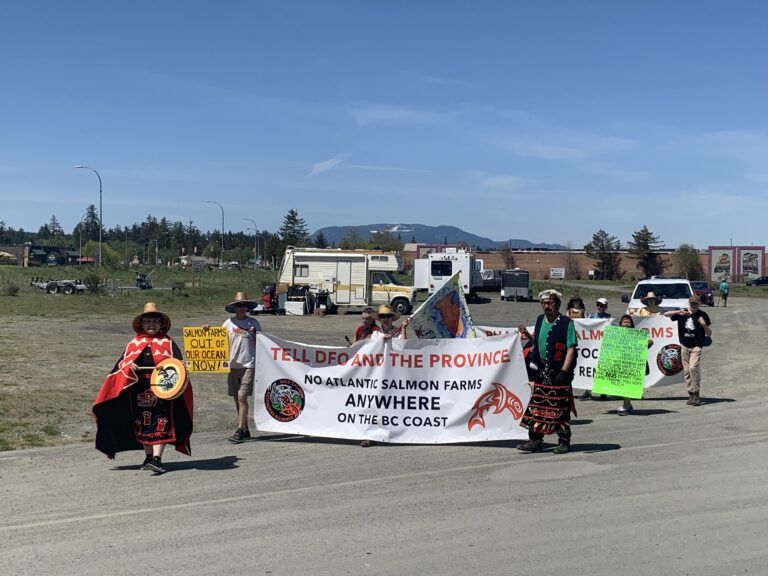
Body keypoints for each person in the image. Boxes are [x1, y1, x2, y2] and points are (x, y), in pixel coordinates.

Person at [93, 302, 193, 474]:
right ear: (142, 324)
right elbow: (122, 364)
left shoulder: (168, 343)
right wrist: (129, 366)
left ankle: (157, 459)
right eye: (148, 321)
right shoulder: (134, 343)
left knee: (161, 421)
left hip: (163, 388)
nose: (151, 324)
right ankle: (148, 457)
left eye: (155, 320)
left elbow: (178, 364)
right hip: (138, 389)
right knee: (142, 422)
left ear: (161, 324)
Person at [517, 289, 578, 454]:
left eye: (550, 303)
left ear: (557, 305)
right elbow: (537, 343)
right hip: (542, 371)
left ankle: (564, 442)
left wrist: (564, 372)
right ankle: (535, 441)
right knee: (537, 406)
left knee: (559, 408)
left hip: (559, 372)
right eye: (544, 303)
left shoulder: (566, 323)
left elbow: (571, 349)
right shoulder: (539, 320)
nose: (546, 306)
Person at [216, 292, 262, 443]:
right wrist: (206, 330)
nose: (241, 308)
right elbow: (217, 339)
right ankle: (245, 428)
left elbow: (263, 344)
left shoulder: (253, 323)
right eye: (238, 306)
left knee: (242, 397)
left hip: (249, 364)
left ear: (247, 308)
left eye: (244, 305)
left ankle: (240, 429)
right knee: (237, 398)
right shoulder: (228, 323)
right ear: (234, 308)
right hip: (232, 365)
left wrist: (255, 335)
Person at [361, 305, 409, 447]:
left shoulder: (398, 332)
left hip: (394, 376)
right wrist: (382, 339)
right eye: (382, 317)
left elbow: (404, 347)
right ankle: (370, 435)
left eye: (388, 316)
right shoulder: (376, 334)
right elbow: (369, 349)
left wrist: (404, 329)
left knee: (392, 406)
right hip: (377, 376)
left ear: (392, 318)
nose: (385, 319)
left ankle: (396, 434)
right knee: (374, 405)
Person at [664, 295, 712, 406]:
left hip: (696, 345)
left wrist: (704, 324)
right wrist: (678, 312)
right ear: (689, 303)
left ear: (699, 304)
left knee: (693, 367)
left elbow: (709, 334)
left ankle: (696, 393)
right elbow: (665, 314)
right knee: (686, 370)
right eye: (692, 303)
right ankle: (690, 392)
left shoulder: (702, 315)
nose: (693, 305)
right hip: (684, 344)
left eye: (696, 303)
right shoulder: (683, 313)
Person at [615, 314, 653, 415]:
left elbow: (650, 342)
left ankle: (626, 406)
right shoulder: (616, 335)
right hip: (619, 364)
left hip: (632, 364)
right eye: (624, 322)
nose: (626, 324)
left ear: (631, 325)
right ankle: (627, 405)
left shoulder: (636, 335)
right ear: (620, 324)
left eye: (628, 322)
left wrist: (642, 348)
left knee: (627, 385)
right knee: (623, 386)